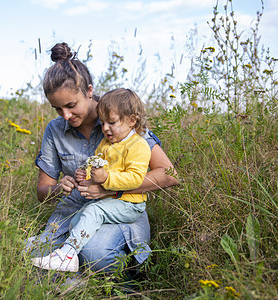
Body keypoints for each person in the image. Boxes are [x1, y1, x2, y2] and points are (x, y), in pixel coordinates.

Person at [24, 42, 179, 273]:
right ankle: (72, 282)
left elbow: (169, 175)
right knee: (30, 254)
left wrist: (110, 190)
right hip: (74, 210)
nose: (65, 116)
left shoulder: (120, 119)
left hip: (121, 209)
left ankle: (125, 286)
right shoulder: (54, 130)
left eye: (71, 105)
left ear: (88, 90)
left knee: (95, 253)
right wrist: (60, 187)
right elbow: (42, 191)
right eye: (57, 109)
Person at [32, 88, 151, 272]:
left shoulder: (138, 145)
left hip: (130, 203)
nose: (104, 128)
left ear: (132, 120)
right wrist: (84, 174)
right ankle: (70, 258)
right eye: (102, 123)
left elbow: (136, 178)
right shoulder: (107, 142)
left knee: (93, 211)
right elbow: (93, 162)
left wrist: (106, 178)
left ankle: (68, 255)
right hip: (109, 201)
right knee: (76, 221)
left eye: (111, 123)